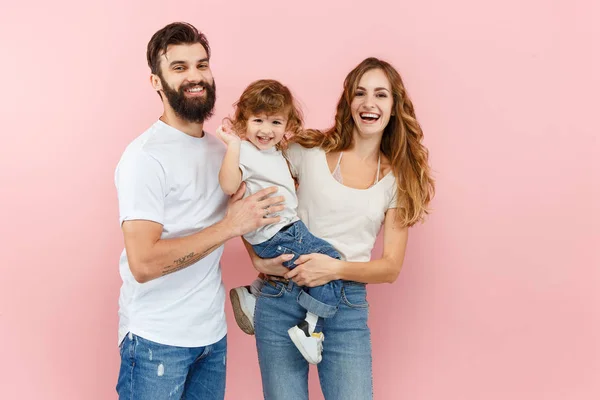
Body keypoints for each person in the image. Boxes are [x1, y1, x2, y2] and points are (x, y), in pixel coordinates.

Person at [232, 57, 435, 399]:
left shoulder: (398, 179)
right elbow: (249, 194)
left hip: (344, 305)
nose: (369, 103)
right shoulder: (307, 150)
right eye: (360, 93)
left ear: (394, 106)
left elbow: (390, 268)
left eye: (381, 95)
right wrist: (256, 258)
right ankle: (255, 296)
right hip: (281, 297)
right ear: (349, 102)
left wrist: (334, 268)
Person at [114, 22, 284, 400]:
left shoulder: (222, 151)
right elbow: (143, 264)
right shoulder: (145, 158)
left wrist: (260, 259)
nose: (195, 76)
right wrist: (229, 226)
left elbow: (234, 216)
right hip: (156, 339)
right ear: (156, 82)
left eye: (201, 65)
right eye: (179, 68)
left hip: (211, 337)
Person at [217, 79, 346, 365]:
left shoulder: (275, 151)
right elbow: (228, 185)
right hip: (280, 233)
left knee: (300, 271)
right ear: (244, 121)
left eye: (276, 122)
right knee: (329, 261)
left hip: (282, 232)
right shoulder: (245, 151)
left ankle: (255, 293)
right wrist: (233, 146)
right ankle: (310, 327)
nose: (266, 130)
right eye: (258, 120)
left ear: (287, 123)